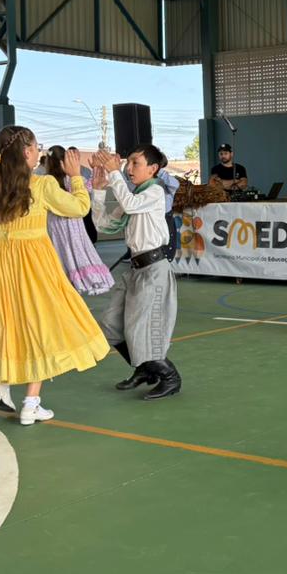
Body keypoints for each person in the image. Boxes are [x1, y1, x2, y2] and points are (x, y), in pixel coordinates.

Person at [0, 127, 109, 424]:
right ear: (28, 152)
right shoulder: (42, 185)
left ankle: (2, 383)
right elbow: (79, 207)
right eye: (36, 147)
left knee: (7, 319)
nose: (38, 152)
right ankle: (30, 403)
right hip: (33, 260)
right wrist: (76, 177)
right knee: (42, 322)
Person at [90, 144, 181, 399]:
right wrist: (98, 191)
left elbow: (130, 205)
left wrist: (113, 173)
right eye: (127, 163)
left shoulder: (155, 192)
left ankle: (170, 377)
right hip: (136, 270)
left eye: (135, 163)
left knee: (142, 329)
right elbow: (105, 225)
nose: (128, 168)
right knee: (111, 324)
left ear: (153, 169)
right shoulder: (136, 195)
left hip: (153, 270)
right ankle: (144, 369)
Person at [44, 145, 114, 296]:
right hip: (74, 223)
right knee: (77, 249)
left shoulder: (46, 183)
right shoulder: (73, 179)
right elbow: (90, 187)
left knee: (60, 252)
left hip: (55, 225)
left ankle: (63, 283)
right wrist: (95, 169)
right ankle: (83, 281)